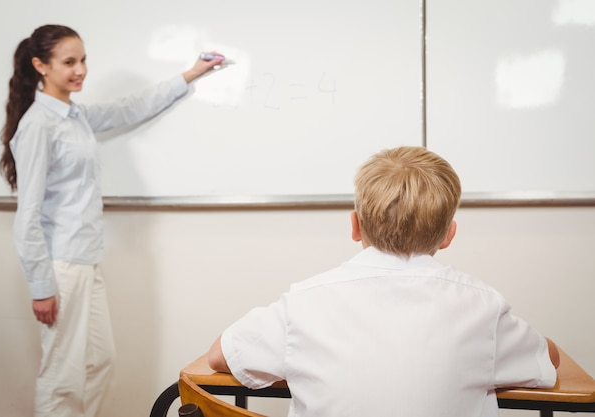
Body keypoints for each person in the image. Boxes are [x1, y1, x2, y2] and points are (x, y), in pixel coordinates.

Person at [208, 146, 561, 417]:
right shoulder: (482, 305)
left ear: (355, 226)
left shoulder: (304, 301)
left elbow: (220, 356)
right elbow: (549, 358)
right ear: (448, 235)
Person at [0, 24, 224, 417]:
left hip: (87, 260)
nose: (81, 69)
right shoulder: (39, 125)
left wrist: (190, 74)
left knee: (100, 362)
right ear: (40, 65)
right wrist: (41, 287)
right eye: (69, 62)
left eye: (83, 60)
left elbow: (129, 108)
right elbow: (28, 215)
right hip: (61, 267)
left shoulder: (75, 116)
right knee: (62, 375)